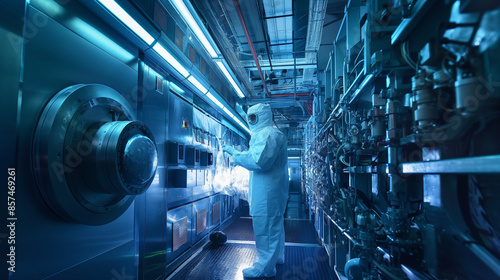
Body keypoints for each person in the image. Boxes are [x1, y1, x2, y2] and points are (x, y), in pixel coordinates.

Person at [223, 103, 289, 278]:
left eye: (254, 117)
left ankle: (265, 268)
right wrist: (241, 155)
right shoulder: (266, 134)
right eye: (249, 117)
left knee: (265, 228)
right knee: (274, 226)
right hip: (270, 191)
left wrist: (235, 155)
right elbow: (258, 158)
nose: (251, 121)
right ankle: (276, 258)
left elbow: (259, 162)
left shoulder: (268, 134)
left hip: (268, 193)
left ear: (265, 116)